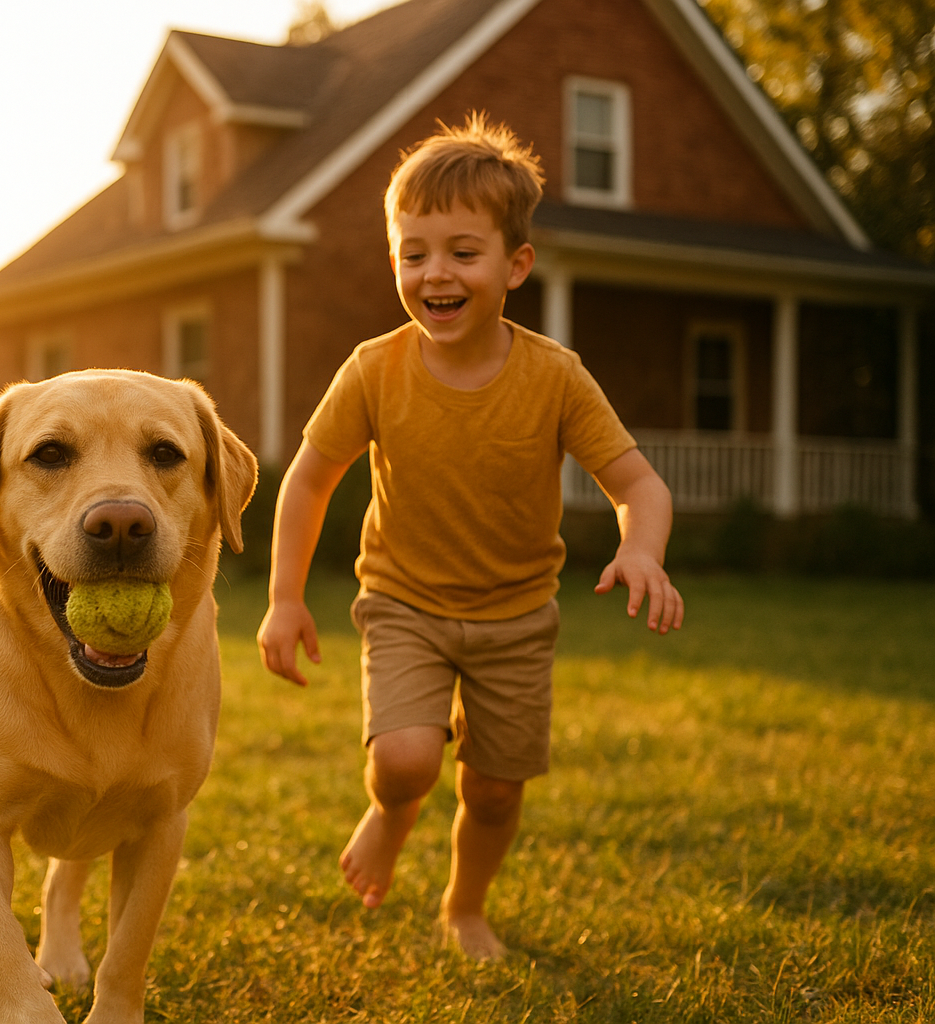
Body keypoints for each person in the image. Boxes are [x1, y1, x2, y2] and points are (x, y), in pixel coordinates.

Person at [257, 114, 684, 961]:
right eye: (413, 254)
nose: (435, 273)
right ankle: (390, 813)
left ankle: (464, 906)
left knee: (493, 790)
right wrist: (283, 596)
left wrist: (642, 547)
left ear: (515, 264)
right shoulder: (373, 369)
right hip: (404, 600)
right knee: (408, 761)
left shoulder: (555, 377)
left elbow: (640, 483)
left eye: (461, 251)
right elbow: (308, 476)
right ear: (394, 262)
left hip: (518, 616)